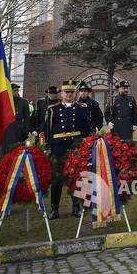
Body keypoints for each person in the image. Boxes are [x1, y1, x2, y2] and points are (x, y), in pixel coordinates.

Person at [44, 81, 95, 218]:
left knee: (76, 178)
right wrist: (48, 147)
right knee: (57, 180)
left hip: (75, 148)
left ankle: (76, 207)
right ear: (62, 93)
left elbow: (87, 129)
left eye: (71, 92)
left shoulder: (82, 108)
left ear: (75, 93)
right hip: (58, 148)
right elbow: (48, 131)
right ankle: (54, 209)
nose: (69, 95)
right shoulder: (53, 109)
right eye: (66, 92)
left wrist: (86, 146)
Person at [0, 84, 33, 157]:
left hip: (19, 130)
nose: (17, 92)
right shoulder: (5, 101)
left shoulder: (23, 102)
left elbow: (27, 118)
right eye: (15, 90)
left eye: (17, 90)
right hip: (7, 131)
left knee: (18, 151)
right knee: (5, 151)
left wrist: (26, 131)